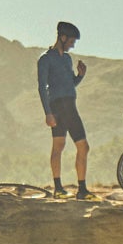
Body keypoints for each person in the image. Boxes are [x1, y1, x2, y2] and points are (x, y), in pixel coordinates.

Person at [35, 22, 89, 196]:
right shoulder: (45, 58)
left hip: (70, 104)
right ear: (63, 37)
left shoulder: (67, 59)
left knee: (80, 147)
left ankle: (80, 189)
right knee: (62, 146)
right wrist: (47, 113)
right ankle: (60, 188)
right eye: (72, 40)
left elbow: (70, 84)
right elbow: (42, 87)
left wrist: (80, 76)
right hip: (58, 106)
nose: (73, 45)